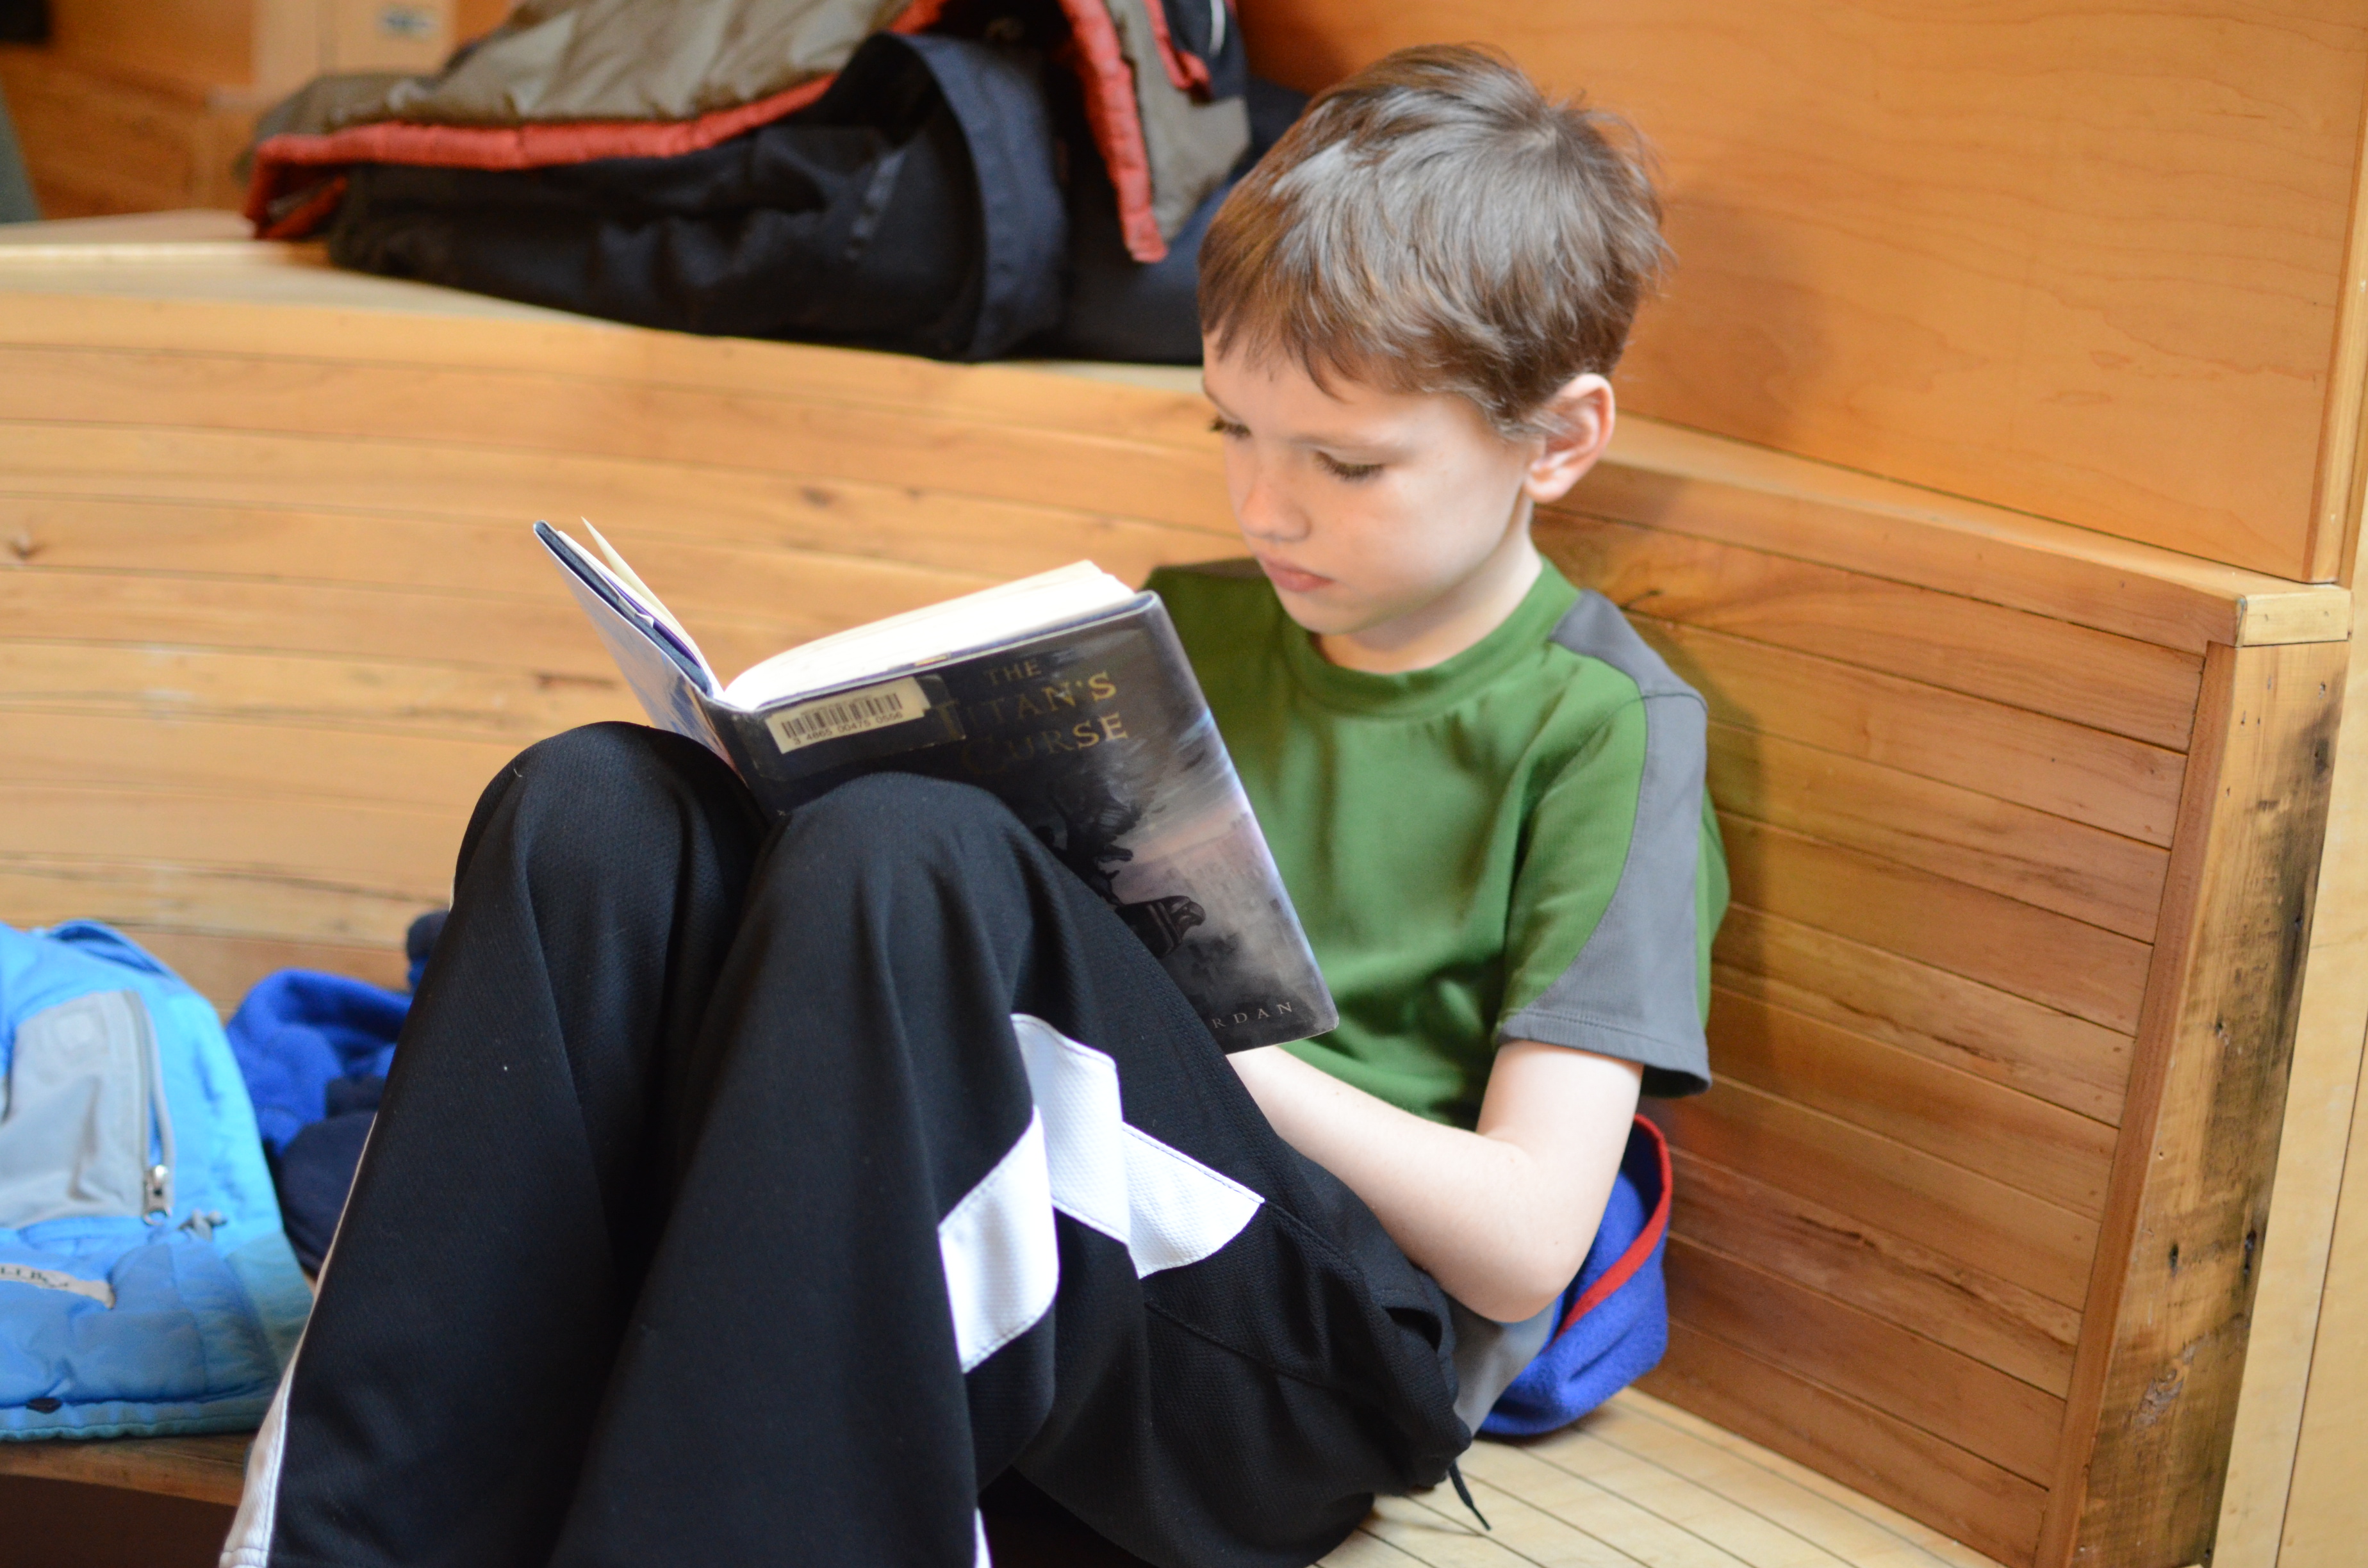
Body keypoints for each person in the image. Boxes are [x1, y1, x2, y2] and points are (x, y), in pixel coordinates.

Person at [220, 42, 1723, 1568]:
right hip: (1063, 1196)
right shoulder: (1180, 630)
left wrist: (1216, 1049)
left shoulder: (1601, 728)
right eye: (1232, 430)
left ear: (1558, 441)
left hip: (1300, 1355)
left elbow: (1525, 1247)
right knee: (597, 803)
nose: (1267, 506)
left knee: (908, 854)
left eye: (1346, 462)